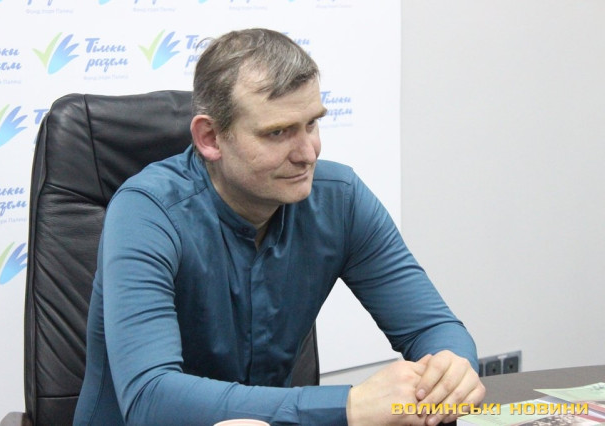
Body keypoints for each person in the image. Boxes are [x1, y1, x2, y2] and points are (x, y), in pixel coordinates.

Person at [74, 28, 485, 426]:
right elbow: (150, 397)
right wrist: (348, 406)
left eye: (311, 124)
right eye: (278, 133)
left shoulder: (340, 198)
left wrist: (451, 370)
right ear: (210, 137)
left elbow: (433, 328)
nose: (308, 153)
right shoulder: (145, 212)